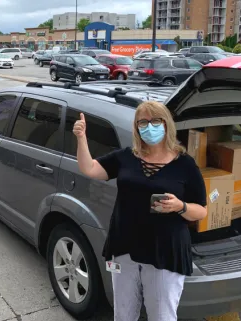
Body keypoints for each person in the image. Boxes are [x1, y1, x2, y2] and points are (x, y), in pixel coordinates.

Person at [73, 101, 207, 321]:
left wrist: (180, 206)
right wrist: (81, 138)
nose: (149, 127)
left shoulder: (185, 165)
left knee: (162, 316)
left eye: (155, 121)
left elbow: (201, 211)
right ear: (136, 127)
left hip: (164, 252)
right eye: (142, 122)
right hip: (125, 248)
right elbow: (89, 168)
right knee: (123, 314)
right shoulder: (126, 157)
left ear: (166, 124)